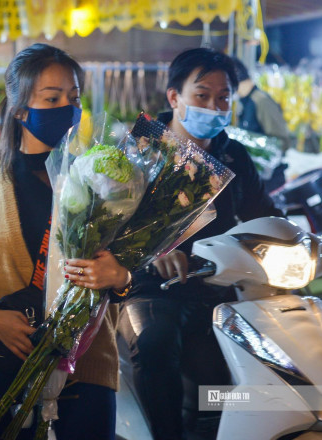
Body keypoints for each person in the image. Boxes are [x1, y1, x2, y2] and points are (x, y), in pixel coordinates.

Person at [0, 43, 132, 440]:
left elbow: (126, 274)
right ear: (19, 108)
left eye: (73, 98)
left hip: (88, 363)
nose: (66, 107)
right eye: (52, 98)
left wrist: (119, 276)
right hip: (7, 356)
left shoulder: (101, 180)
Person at [118, 48, 284, 440]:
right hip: (150, 290)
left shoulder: (233, 154)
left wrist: (298, 239)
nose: (214, 105)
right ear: (174, 97)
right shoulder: (142, 149)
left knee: (242, 373)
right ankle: (167, 433)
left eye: (223, 97)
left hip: (216, 287)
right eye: (202, 94)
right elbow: (111, 227)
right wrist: (153, 254)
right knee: (157, 347)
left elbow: (266, 213)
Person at [232, 57, 290, 192]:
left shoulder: (261, 100)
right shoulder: (245, 102)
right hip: (256, 179)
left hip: (270, 181)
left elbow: (282, 141)